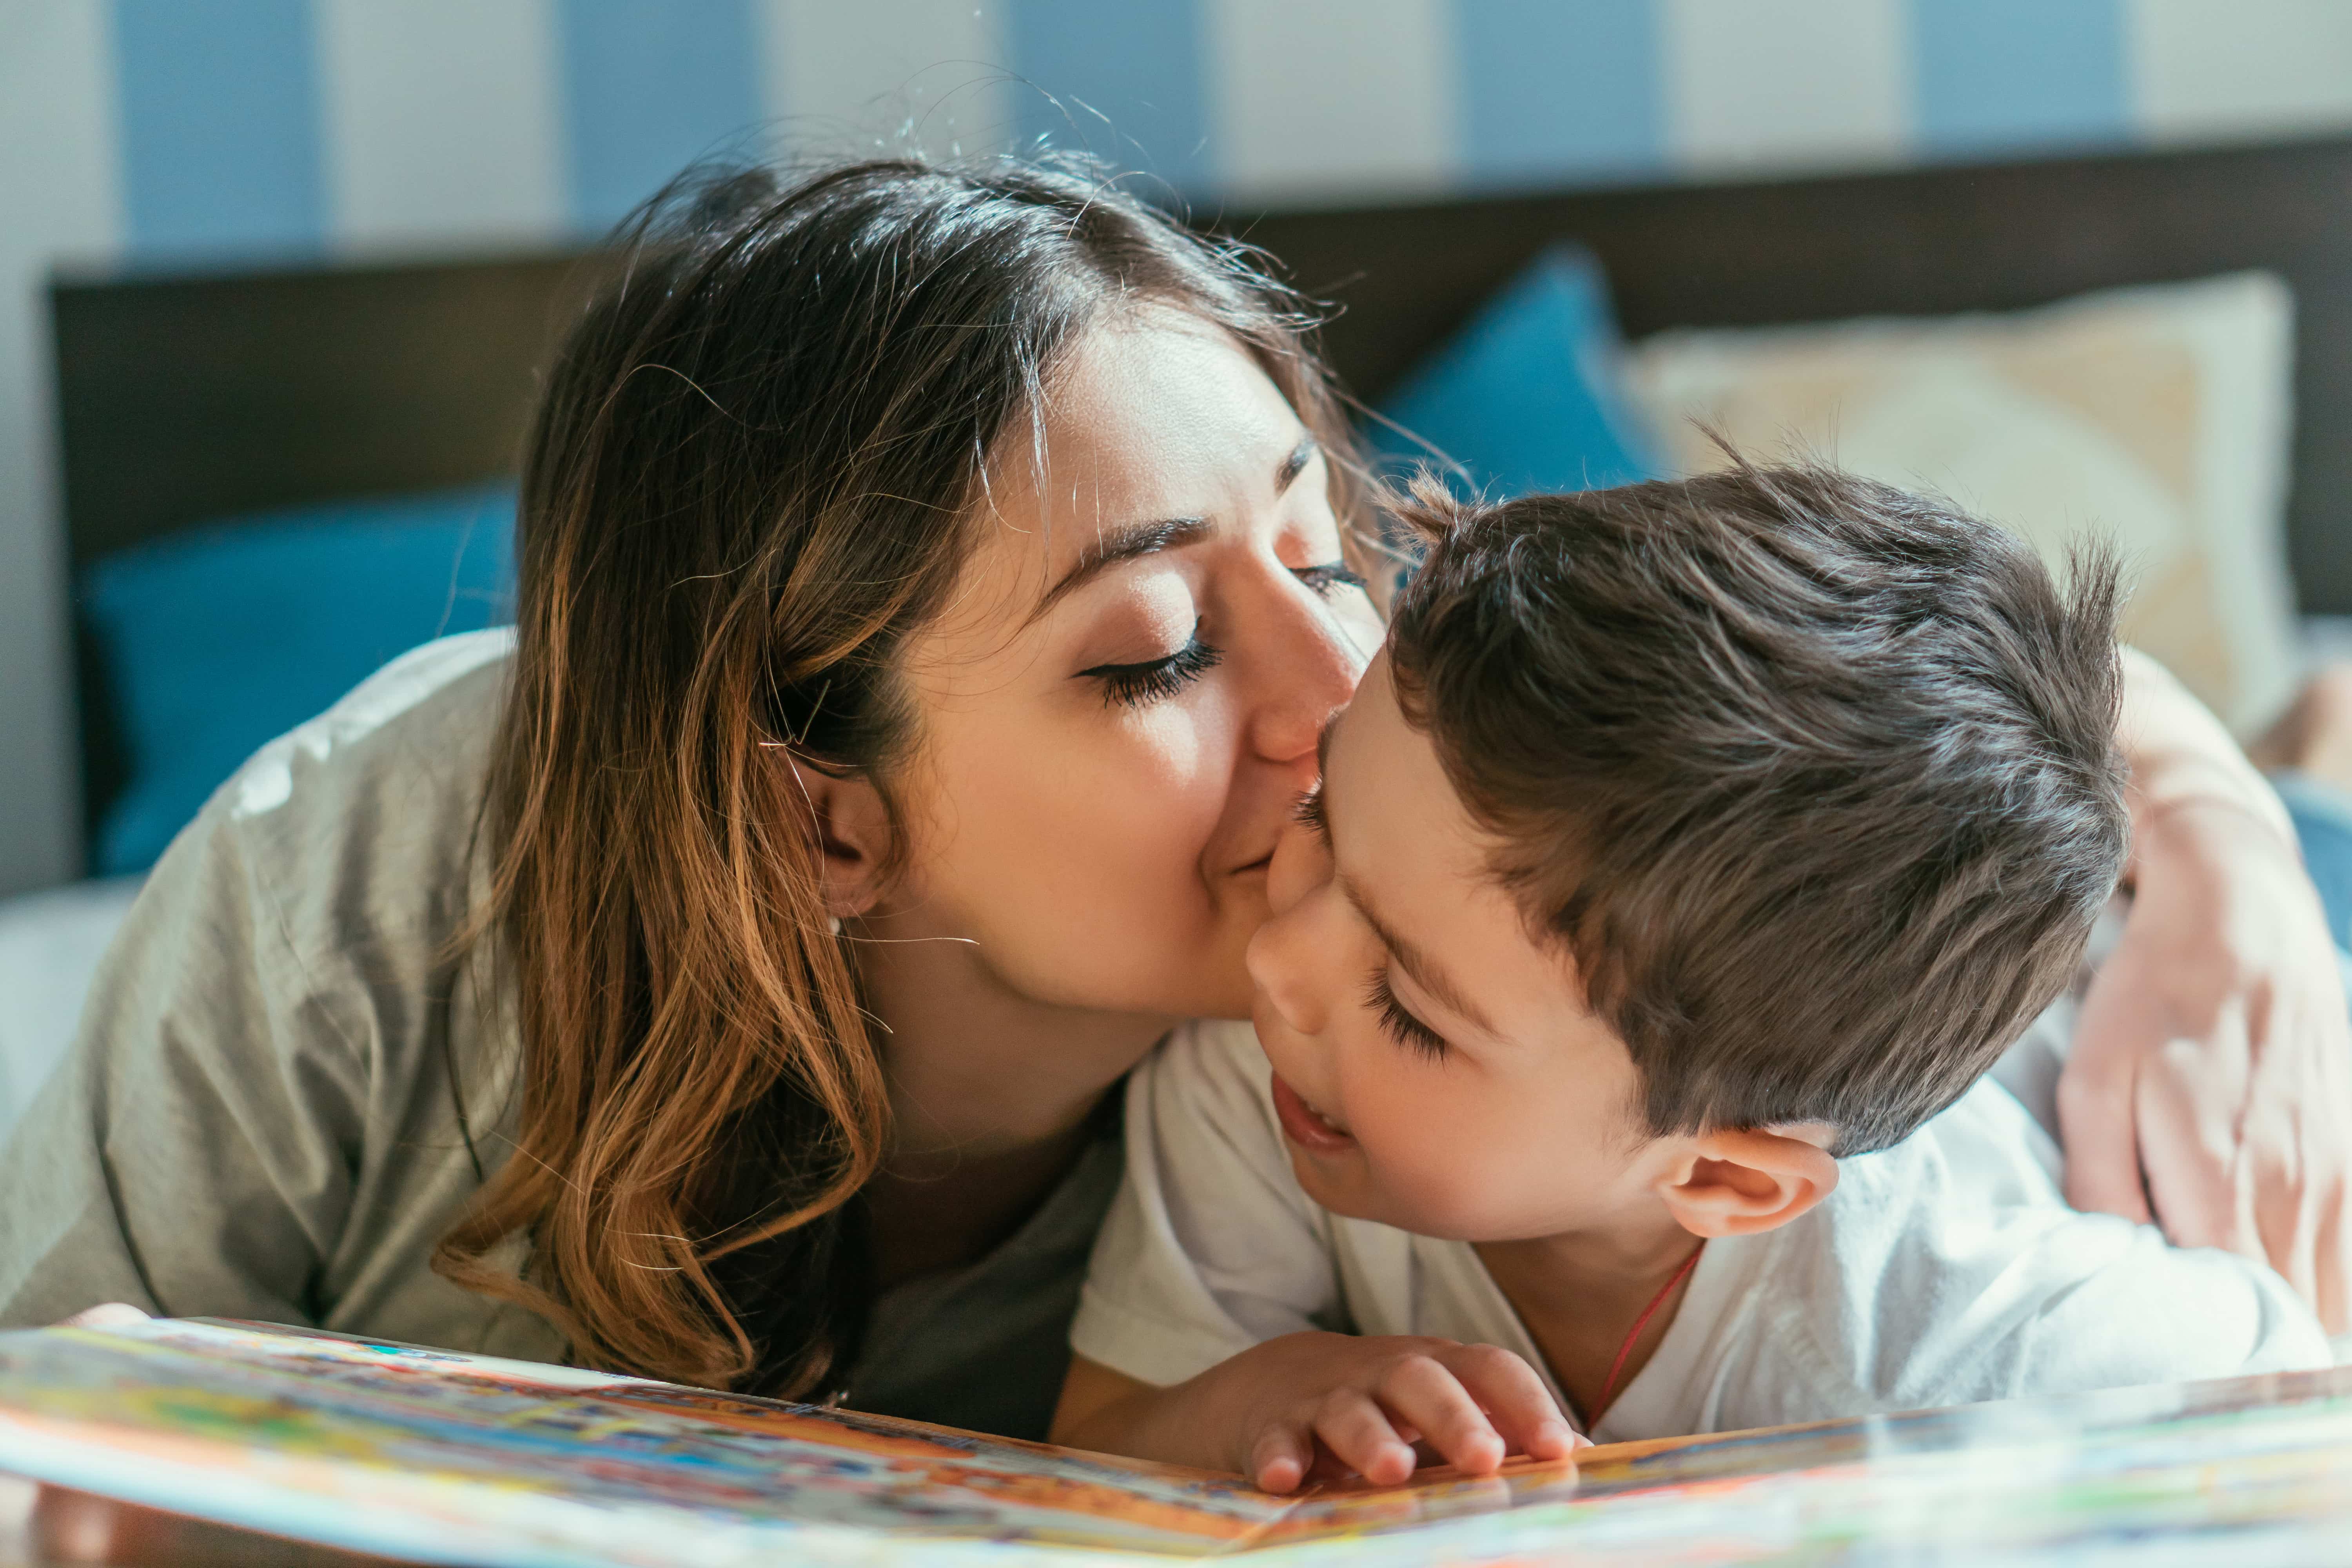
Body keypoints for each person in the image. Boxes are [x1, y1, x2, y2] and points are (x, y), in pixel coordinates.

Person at [0, 155, 2344, 1447]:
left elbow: (1896, 670)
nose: (1347, 686)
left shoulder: (1446, 851)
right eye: (1149, 655)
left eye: (1333, 549)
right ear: (821, 820)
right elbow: (53, 1448)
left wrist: (2227, 850)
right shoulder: (375, 884)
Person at [1050, 474, 2334, 1492]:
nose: (1277, 961)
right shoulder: (1269, 1071)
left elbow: (2296, 1413)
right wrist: (1250, 1397)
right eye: (1324, 820)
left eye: (1408, 1006)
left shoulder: (1976, 1342)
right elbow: (1096, 1437)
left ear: (1726, 1179)